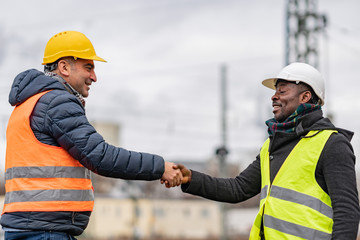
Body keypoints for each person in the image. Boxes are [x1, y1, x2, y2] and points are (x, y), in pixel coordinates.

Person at [1, 30, 182, 240]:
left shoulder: (26, 104)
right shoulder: (57, 103)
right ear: (64, 67)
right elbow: (101, 156)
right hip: (45, 232)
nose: (94, 77)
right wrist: (160, 167)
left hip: (28, 228)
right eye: (89, 67)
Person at [175, 62, 360, 239]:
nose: (274, 97)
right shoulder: (272, 146)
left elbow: (347, 210)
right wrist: (190, 178)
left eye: (282, 90)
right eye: (275, 91)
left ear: (305, 97)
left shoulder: (332, 144)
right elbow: (238, 189)